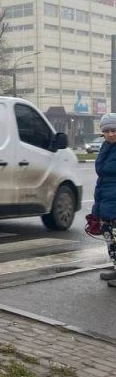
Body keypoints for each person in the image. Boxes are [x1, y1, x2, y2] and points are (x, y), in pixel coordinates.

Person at [86, 113, 116, 282]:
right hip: (106, 199)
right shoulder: (105, 147)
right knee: (109, 237)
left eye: (114, 130)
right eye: (107, 131)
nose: (111, 134)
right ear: (102, 132)